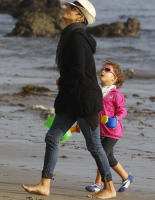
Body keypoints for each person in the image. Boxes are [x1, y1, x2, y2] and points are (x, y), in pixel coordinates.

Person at [22, 1, 117, 199]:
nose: (67, 9)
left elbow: (79, 71)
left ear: (80, 17)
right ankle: (44, 184)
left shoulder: (77, 36)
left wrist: (62, 80)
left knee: (94, 146)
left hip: (84, 100)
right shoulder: (71, 34)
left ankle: (109, 188)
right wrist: (64, 82)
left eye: (73, 8)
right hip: (72, 98)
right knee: (52, 137)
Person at [77, 60, 133, 193]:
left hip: (113, 131)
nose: (103, 70)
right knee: (109, 158)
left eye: (107, 70)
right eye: (102, 68)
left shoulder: (116, 95)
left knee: (100, 153)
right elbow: (89, 109)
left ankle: (98, 184)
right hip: (100, 131)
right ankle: (126, 177)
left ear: (114, 78)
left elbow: (122, 110)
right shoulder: (96, 92)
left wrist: (116, 118)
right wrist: (80, 122)